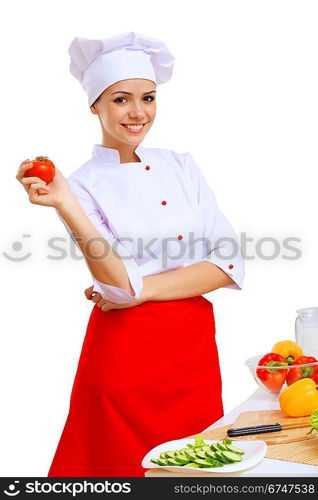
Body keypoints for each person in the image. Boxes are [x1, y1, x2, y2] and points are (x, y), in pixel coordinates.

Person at [16, 32, 245, 477]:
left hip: (192, 352)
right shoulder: (77, 186)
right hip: (123, 359)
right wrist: (65, 202)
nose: (137, 112)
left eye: (148, 98)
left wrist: (137, 290)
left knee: (197, 470)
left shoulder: (182, 166)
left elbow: (229, 263)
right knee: (117, 472)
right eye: (121, 99)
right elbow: (117, 285)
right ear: (95, 106)